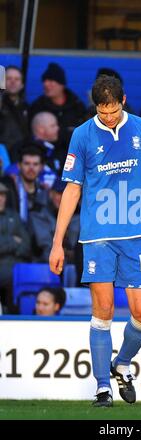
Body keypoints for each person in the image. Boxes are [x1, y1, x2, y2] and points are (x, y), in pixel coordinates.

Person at [49, 75, 141, 408]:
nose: (109, 117)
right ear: (95, 107)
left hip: (139, 235)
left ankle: (121, 362)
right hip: (98, 236)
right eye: (103, 113)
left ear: (124, 100)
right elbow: (72, 188)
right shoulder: (82, 134)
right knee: (102, 310)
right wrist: (58, 241)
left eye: (114, 111)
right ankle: (103, 387)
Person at [0, 182, 31, 313]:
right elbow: (18, 243)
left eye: (2, 195)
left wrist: (5, 245)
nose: (1, 198)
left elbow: (27, 245)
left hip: (16, 268)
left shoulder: (14, 216)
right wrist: (13, 241)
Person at [0, 66, 29, 154]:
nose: (13, 82)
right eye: (8, 78)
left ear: (22, 85)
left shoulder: (27, 108)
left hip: (22, 156)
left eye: (17, 79)